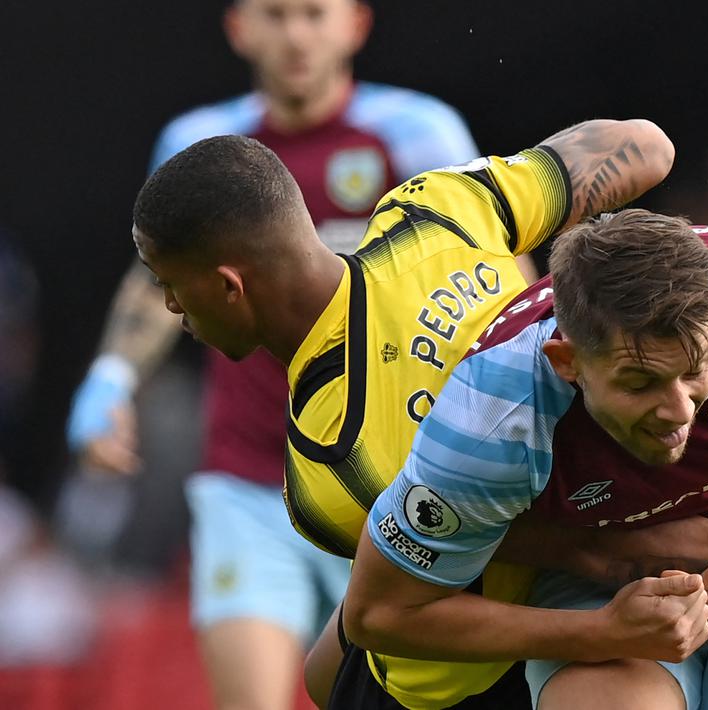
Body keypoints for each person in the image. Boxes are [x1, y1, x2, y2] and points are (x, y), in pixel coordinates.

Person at [129, 115, 685, 708]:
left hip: (466, 685)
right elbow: (649, 144)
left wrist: (604, 633)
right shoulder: (432, 212)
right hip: (609, 564)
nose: (168, 306)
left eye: (169, 284)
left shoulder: (331, 460)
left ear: (228, 286)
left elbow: (403, 613)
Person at [65, 1, 499, 708]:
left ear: (354, 24)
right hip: (247, 483)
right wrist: (110, 380)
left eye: (313, 13)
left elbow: (490, 277)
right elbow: (156, 280)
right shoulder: (199, 140)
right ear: (239, 29)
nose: (296, 34)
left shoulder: (418, 131)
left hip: (384, 479)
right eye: (274, 14)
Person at [343, 208, 708, 710]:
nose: (677, 410)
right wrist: (602, 632)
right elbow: (379, 613)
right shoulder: (490, 421)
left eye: (693, 372)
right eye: (639, 384)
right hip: (598, 582)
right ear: (567, 362)